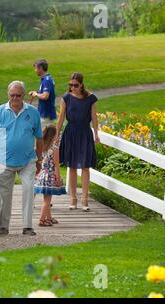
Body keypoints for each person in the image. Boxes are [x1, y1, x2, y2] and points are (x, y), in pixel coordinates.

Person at [0, 81, 44, 236]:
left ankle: (28, 226)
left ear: (23, 95)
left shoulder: (33, 112)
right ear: (8, 94)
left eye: (18, 95)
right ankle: (3, 226)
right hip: (4, 160)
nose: (15, 98)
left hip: (28, 160)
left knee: (28, 190)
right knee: (3, 194)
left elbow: (39, 138)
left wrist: (39, 159)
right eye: (12, 95)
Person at [55, 72, 100, 211]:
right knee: (72, 166)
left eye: (75, 85)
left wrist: (96, 133)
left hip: (85, 133)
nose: (72, 87)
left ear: (81, 85)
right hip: (71, 132)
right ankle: (73, 198)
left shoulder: (90, 98)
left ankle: (85, 199)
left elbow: (94, 117)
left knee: (85, 166)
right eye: (70, 85)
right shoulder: (66, 98)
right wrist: (56, 134)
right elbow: (61, 117)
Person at [34, 125, 66, 226]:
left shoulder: (43, 148)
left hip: (43, 175)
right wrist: (58, 178)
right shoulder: (55, 149)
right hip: (50, 176)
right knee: (47, 201)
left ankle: (48, 218)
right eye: (57, 135)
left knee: (46, 199)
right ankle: (42, 220)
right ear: (53, 136)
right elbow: (56, 165)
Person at [29, 59, 57, 129]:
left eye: (36, 68)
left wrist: (36, 94)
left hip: (46, 114)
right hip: (45, 113)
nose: (35, 70)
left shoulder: (47, 80)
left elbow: (45, 96)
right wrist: (36, 92)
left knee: (42, 136)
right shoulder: (45, 79)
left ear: (41, 68)